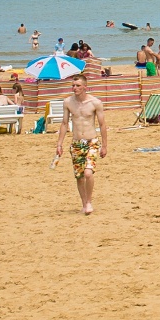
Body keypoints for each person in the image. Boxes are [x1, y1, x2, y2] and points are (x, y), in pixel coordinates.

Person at [53, 73, 108, 215]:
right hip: (76, 142)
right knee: (79, 176)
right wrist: (59, 144)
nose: (74, 88)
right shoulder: (68, 102)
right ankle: (84, 203)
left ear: (85, 87)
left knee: (88, 173)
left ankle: (89, 201)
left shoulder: (95, 103)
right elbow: (64, 124)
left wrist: (104, 145)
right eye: (73, 85)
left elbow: (102, 125)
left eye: (77, 86)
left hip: (92, 142)